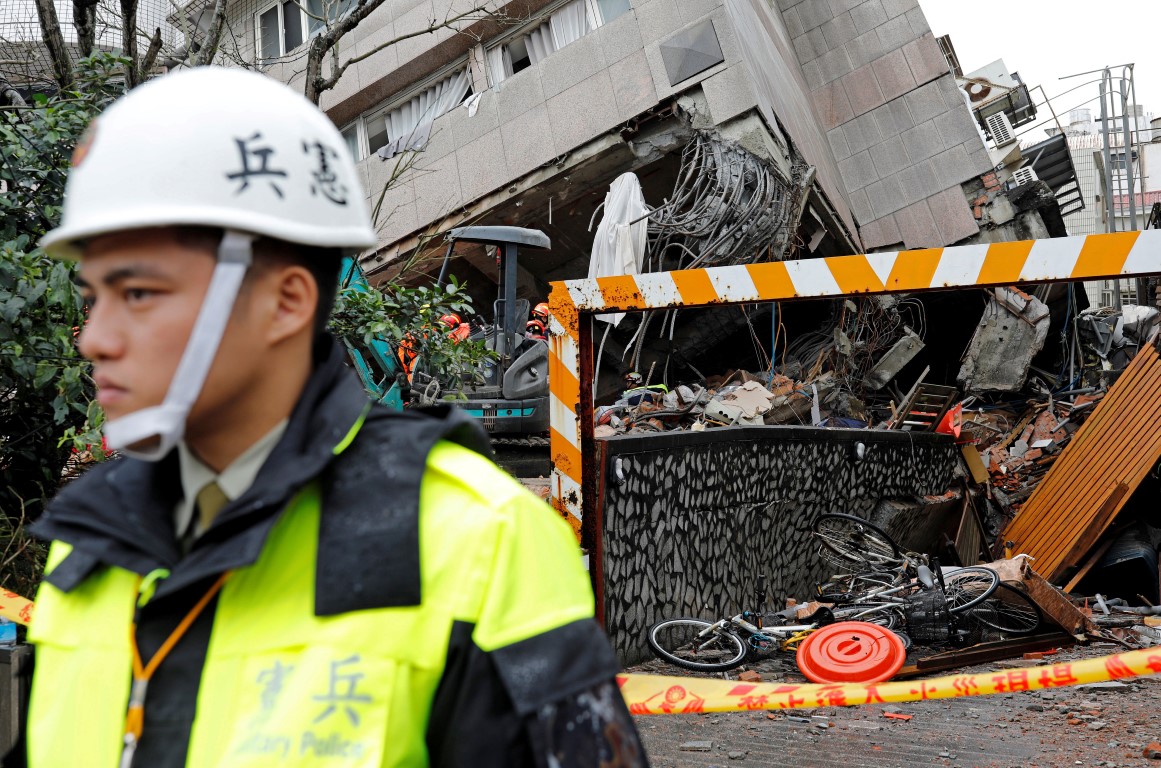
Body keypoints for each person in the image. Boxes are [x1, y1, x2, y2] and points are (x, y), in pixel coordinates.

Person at [20, 67, 645, 768]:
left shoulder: (474, 542)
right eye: (93, 297)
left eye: (137, 293)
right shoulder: (93, 543)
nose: (94, 339)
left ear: (285, 302)